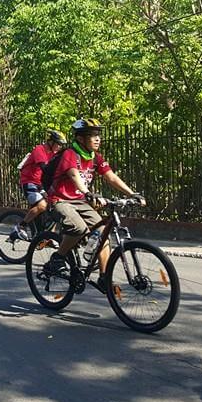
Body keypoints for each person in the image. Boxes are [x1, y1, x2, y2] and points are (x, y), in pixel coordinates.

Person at [43, 119, 145, 282]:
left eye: (99, 135)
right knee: (78, 228)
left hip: (80, 201)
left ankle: (104, 278)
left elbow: (111, 177)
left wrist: (132, 194)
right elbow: (74, 175)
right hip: (60, 200)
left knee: (102, 233)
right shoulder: (70, 154)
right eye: (93, 135)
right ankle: (57, 258)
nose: (98, 139)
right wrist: (87, 192)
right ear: (81, 139)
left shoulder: (95, 157)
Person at [15, 130, 68, 240]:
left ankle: (48, 237)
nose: (60, 147)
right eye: (58, 144)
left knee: (56, 205)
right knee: (42, 205)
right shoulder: (40, 149)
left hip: (41, 183)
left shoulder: (54, 154)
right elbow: (44, 168)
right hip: (30, 182)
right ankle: (21, 226)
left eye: (61, 145)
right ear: (51, 142)